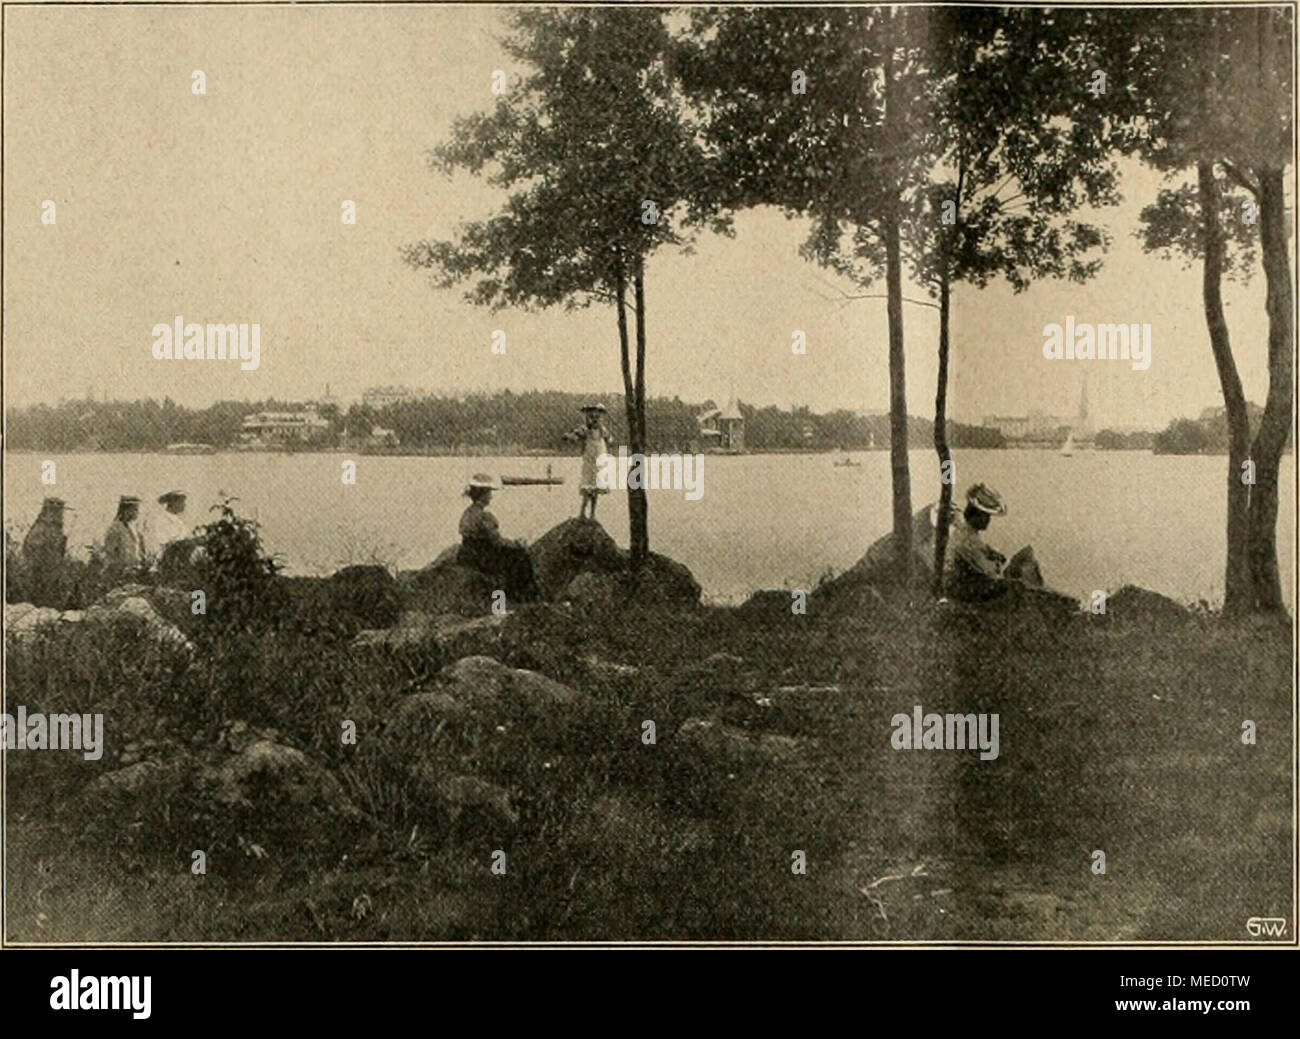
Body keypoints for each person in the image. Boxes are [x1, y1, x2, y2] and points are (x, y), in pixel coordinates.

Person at [457, 474, 539, 602]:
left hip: (468, 554)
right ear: (483, 494)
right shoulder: (484, 516)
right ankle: (518, 599)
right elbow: (497, 541)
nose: (490, 496)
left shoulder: (467, 513)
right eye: (489, 493)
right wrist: (517, 544)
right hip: (483, 557)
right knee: (520, 558)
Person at [563, 403, 612, 519]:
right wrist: (569, 437)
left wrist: (609, 440)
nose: (594, 420)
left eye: (597, 417)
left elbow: (610, 439)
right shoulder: (585, 429)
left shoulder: (601, 430)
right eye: (592, 417)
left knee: (595, 486)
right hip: (590, 458)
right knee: (588, 486)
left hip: (599, 457)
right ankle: (582, 512)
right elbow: (576, 436)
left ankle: (592, 514)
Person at [21, 497, 73, 571]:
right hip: (38, 560)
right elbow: (30, 545)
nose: (55, 507)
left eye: (58, 505)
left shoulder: (58, 526)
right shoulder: (40, 525)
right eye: (52, 504)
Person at [103, 495, 147, 572]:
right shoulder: (115, 528)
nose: (138, 513)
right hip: (119, 572)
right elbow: (110, 552)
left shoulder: (133, 528)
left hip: (134, 570)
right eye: (135, 510)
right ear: (126, 510)